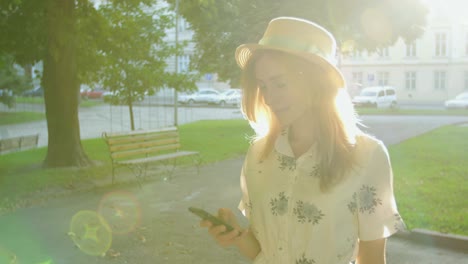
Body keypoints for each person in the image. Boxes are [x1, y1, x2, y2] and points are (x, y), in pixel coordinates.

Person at [199, 17, 405, 264]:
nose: (268, 98)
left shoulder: (366, 155)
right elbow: (266, 251)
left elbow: (372, 257)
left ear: (316, 83)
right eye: (263, 86)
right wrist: (237, 235)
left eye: (280, 83)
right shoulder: (259, 154)